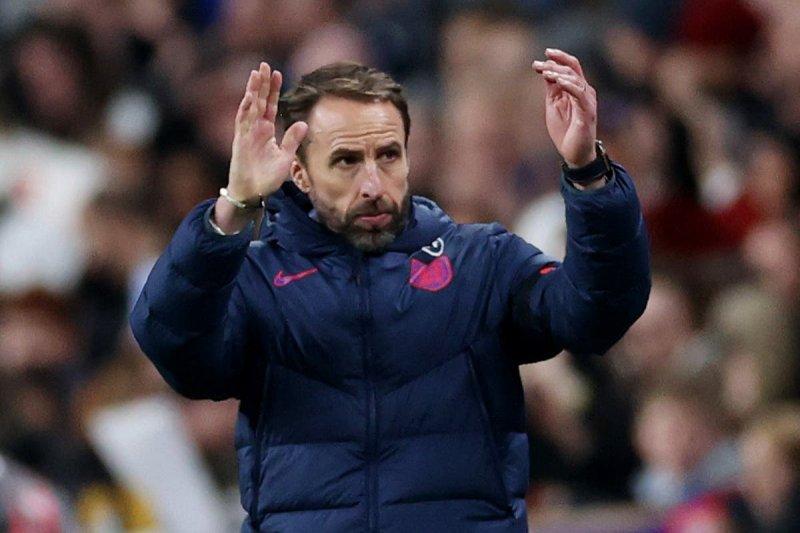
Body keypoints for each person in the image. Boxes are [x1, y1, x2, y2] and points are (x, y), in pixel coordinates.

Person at [130, 51, 650, 532]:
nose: (374, 184)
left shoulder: (481, 263)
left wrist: (589, 175)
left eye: (388, 155)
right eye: (346, 161)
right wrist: (232, 209)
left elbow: (595, 313)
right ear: (299, 174)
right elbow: (177, 349)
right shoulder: (256, 279)